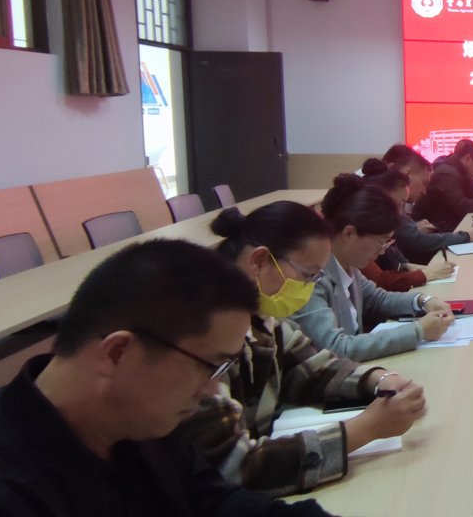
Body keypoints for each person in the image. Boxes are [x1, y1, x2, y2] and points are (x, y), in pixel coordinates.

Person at [0, 240, 334, 516]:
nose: (213, 389)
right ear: (118, 352)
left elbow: (218, 503)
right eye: (210, 366)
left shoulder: (140, 425)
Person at [173, 203, 428, 497]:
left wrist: (379, 379)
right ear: (259, 261)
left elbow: (313, 367)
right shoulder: (200, 339)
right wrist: (365, 429)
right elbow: (237, 466)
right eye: (307, 275)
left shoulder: (261, 315)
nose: (308, 288)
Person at [291, 174, 453, 361]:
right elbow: (336, 348)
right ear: (349, 233)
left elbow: (377, 299)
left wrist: (423, 300)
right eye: (381, 242)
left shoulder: (347, 264)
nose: (382, 251)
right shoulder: (311, 277)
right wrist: (418, 331)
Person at [376, 149, 473, 264]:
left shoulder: (387, 194)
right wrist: (465, 237)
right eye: (424, 183)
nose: (424, 191)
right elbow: (416, 241)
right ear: (407, 174)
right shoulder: (386, 199)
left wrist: (413, 226)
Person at [359, 162, 455, 290]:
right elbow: (380, 281)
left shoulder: (379, 221)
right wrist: (424, 274)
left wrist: (407, 266)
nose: (400, 212)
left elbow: (392, 252)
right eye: (400, 204)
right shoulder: (361, 226)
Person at [412, 140, 473, 231]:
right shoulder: (446, 174)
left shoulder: (460, 173)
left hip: (446, 226)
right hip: (432, 231)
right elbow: (463, 207)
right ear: (467, 159)